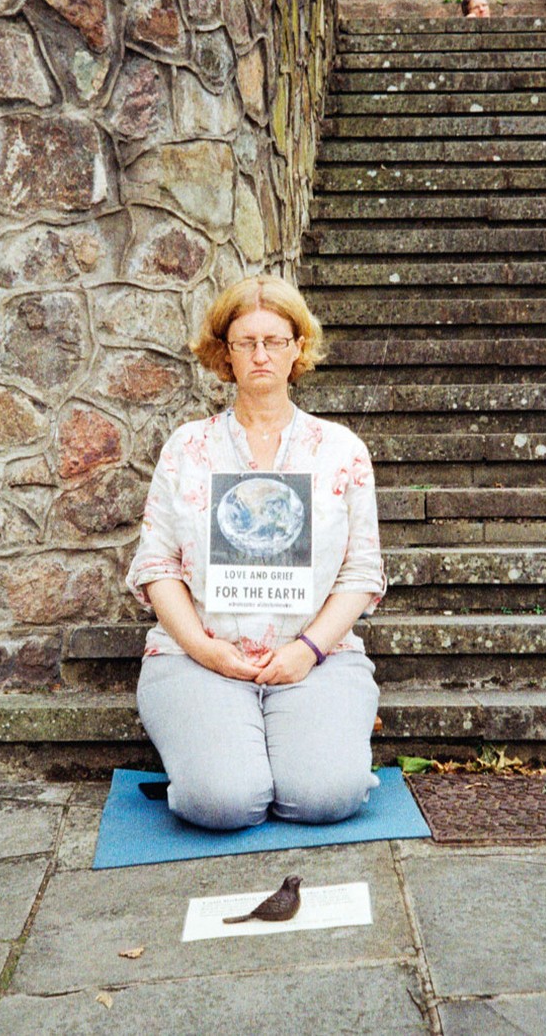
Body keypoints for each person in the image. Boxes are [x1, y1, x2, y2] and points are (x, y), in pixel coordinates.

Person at [127, 275, 386, 830]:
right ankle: (226, 756)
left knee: (325, 797)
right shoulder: (188, 448)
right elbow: (157, 566)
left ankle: (298, 750)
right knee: (222, 803)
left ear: (298, 348)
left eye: (275, 340)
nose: (261, 354)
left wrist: (308, 650)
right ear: (225, 352)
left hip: (316, 657)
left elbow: (362, 571)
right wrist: (202, 648)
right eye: (246, 342)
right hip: (199, 658)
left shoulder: (341, 451)